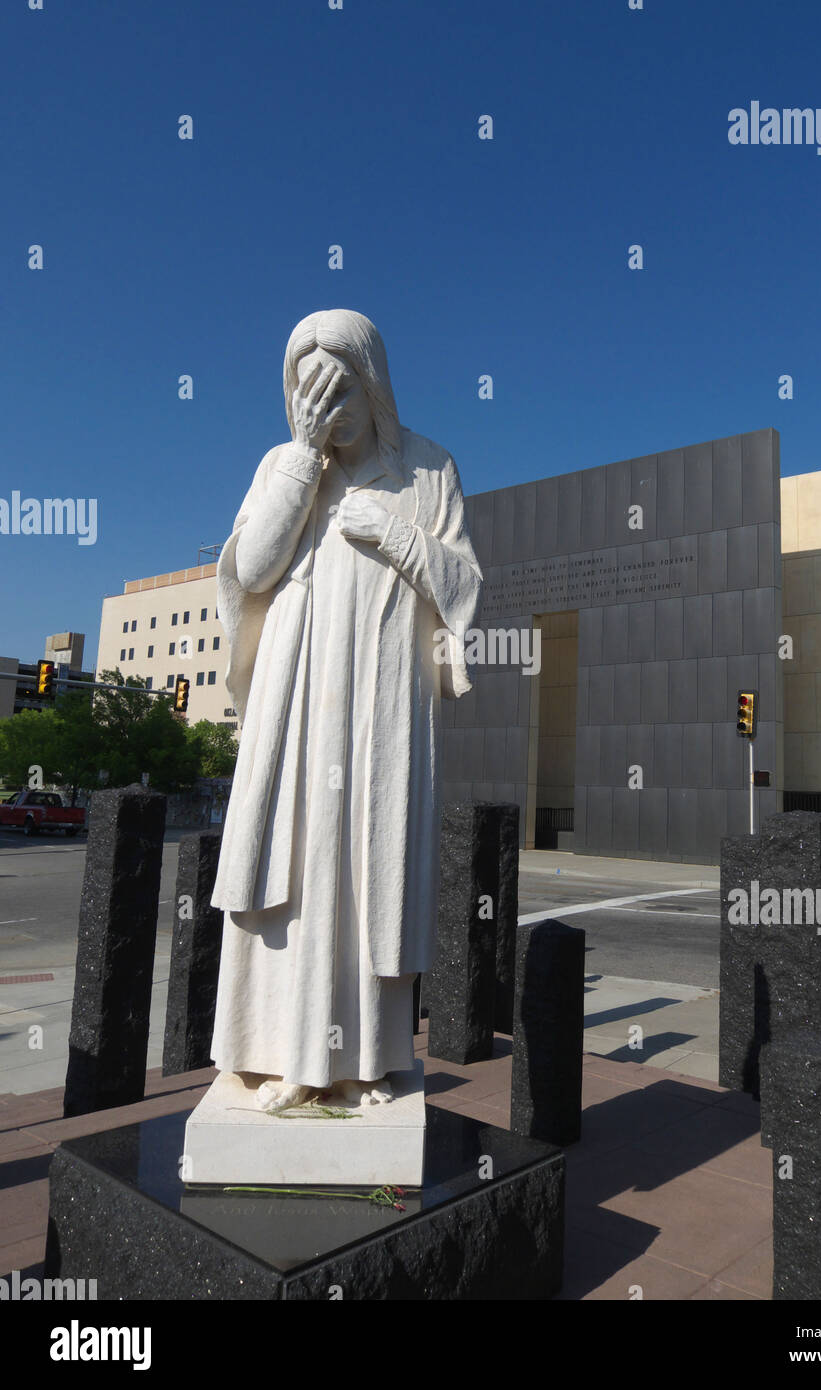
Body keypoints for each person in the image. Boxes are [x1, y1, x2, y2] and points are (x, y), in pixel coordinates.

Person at [208, 309, 483, 1112]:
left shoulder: (428, 471)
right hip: (294, 705)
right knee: (291, 867)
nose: (326, 406)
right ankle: (271, 1053)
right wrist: (300, 461)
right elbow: (252, 571)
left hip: (382, 709)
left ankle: (362, 1061)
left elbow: (466, 587)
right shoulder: (281, 465)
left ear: (375, 385)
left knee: (366, 870)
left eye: (341, 388)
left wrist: (395, 538)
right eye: (307, 389)